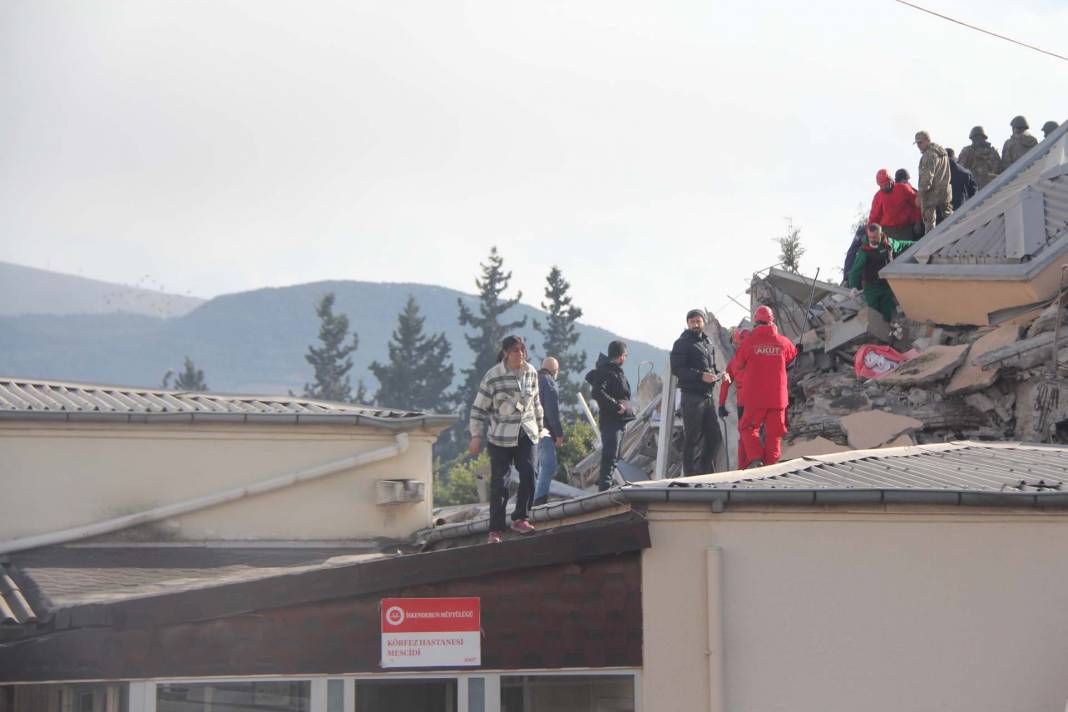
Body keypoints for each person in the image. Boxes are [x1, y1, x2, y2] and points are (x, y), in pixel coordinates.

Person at [468, 335, 543, 544]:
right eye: (515, 350)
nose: (519, 354)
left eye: (522, 349)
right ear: (505, 353)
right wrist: (476, 435)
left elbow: (536, 402)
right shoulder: (493, 376)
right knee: (500, 482)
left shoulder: (531, 373)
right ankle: (496, 530)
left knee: (530, 473)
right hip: (500, 436)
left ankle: (520, 518)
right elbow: (478, 408)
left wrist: (541, 426)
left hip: (526, 432)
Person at [733, 306, 797, 468]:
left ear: (755, 322)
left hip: (755, 398)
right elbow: (792, 356)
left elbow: (738, 364)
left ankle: (756, 459)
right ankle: (771, 466)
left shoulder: (749, 343)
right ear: (772, 320)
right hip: (778, 398)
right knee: (774, 434)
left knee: (747, 427)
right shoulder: (784, 342)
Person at [670, 309, 723, 475]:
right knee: (692, 438)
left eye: (698, 321)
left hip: (707, 396)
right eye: (692, 322)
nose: (695, 324)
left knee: (714, 437)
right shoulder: (682, 343)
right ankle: (690, 476)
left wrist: (720, 375)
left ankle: (704, 471)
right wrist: (700, 376)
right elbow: (677, 369)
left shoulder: (708, 343)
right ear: (687, 324)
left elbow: (711, 368)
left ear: (703, 323)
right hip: (691, 396)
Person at [585, 340, 632, 492]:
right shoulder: (606, 371)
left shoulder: (614, 371)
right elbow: (597, 392)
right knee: (610, 453)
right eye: (625, 355)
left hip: (618, 420)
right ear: (621, 356)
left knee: (615, 454)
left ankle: (607, 482)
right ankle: (605, 485)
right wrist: (616, 406)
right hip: (611, 419)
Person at [848, 223, 916, 322]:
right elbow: (855, 270)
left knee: (887, 314)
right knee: (874, 315)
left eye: (875, 237)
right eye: (870, 237)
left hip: (887, 286)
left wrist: (919, 243)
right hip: (871, 288)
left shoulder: (889, 244)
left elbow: (902, 245)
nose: (872, 240)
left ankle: (886, 335)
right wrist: (853, 286)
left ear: (881, 234)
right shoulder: (864, 251)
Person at [531, 356, 564, 507]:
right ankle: (539, 499)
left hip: (527, 429)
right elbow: (551, 412)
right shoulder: (549, 383)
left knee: (534, 465)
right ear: (555, 371)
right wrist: (558, 434)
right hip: (543, 430)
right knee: (548, 464)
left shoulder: (531, 380)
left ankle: (531, 498)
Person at [718, 325, 752, 468]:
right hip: (759, 402)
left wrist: (721, 405)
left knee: (745, 436)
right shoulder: (760, 358)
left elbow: (725, 384)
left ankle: (744, 467)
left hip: (745, 404)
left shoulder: (734, 363)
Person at [914, 130, 953, 232]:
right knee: (951, 219)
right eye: (917, 143)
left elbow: (926, 178)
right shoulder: (942, 152)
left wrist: (920, 195)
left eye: (920, 142)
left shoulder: (928, 155)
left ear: (928, 140)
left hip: (930, 195)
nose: (918, 145)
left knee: (930, 227)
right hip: (945, 191)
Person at [868, 168, 921, 242]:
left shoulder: (903, 188)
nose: (884, 187)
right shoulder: (878, 198)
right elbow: (874, 219)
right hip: (890, 233)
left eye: (886, 184)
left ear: (891, 180)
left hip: (907, 229)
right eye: (881, 185)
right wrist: (871, 234)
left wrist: (918, 221)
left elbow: (917, 203)